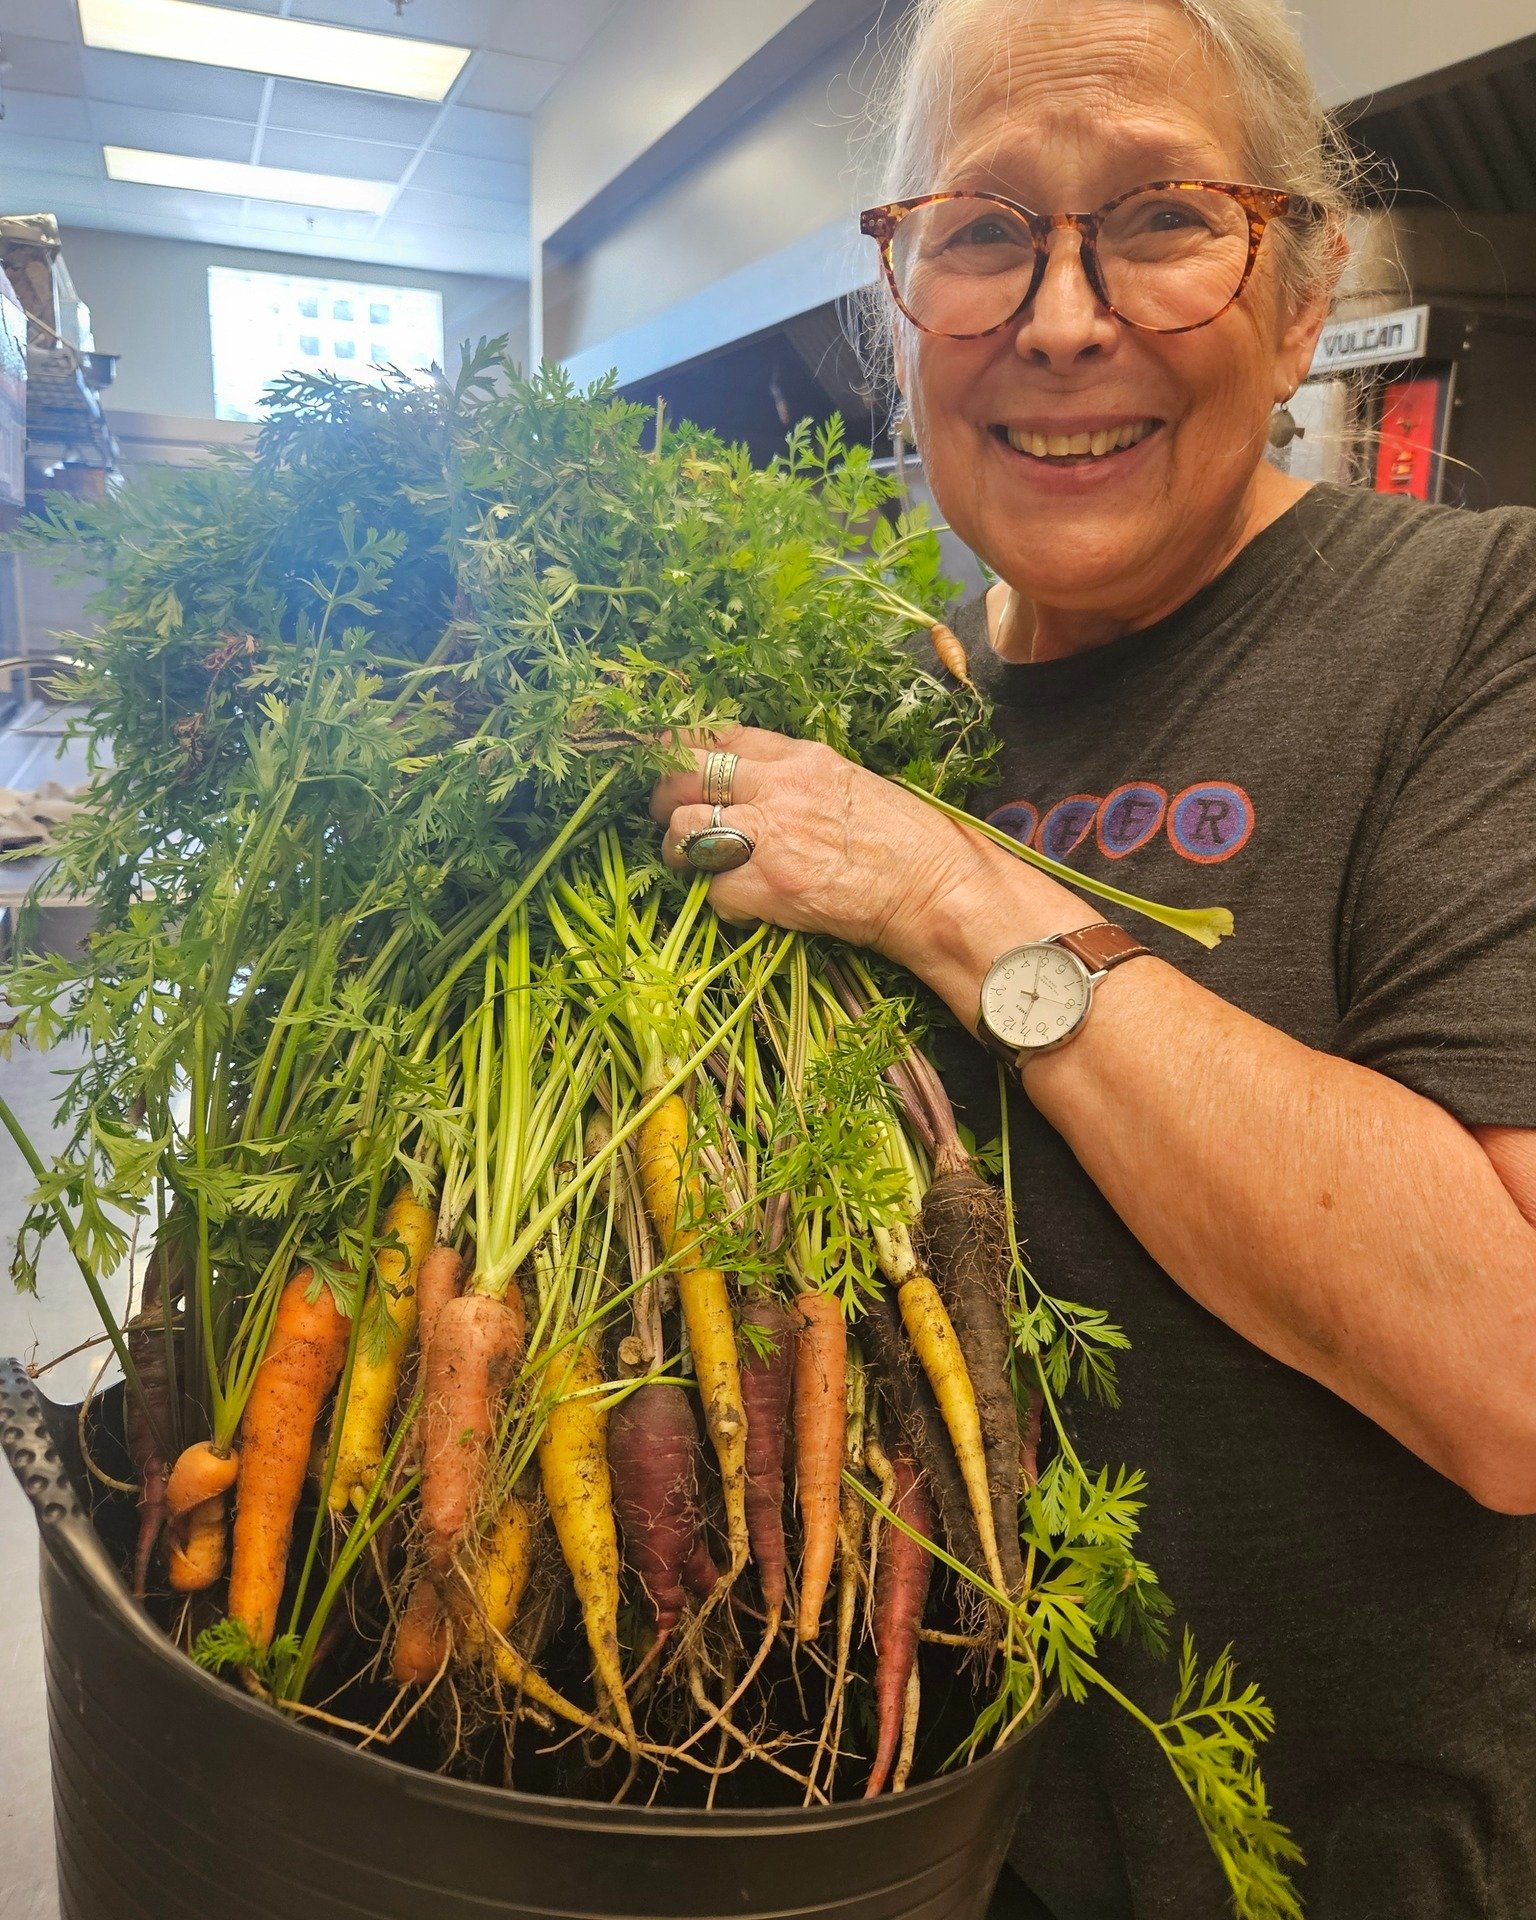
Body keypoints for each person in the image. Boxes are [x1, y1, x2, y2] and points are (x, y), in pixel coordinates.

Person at [650, 0, 1536, 1914]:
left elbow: (1512, 1368)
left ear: (1300, 292)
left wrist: (955, 897)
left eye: (1156, 217)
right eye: (981, 232)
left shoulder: (1476, 627)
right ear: (905, 318)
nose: (1059, 319)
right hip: (866, 1840)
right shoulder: (849, 704)